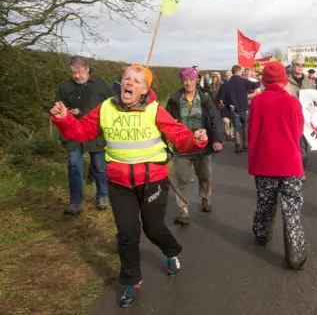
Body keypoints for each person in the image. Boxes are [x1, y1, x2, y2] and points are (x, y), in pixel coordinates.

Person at [50, 64, 209, 307]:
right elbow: (81, 132)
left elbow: (180, 138)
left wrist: (195, 140)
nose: (130, 83)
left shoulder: (155, 110)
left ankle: (171, 251)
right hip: (119, 183)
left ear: (145, 89)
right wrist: (64, 119)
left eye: (136, 81)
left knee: (154, 229)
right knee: (127, 234)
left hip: (152, 181)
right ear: (120, 83)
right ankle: (130, 281)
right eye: (126, 79)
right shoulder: (106, 108)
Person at [248, 61, 307, 270]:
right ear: (285, 79)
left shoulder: (257, 102)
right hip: (290, 163)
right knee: (291, 208)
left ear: (264, 80)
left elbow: (252, 131)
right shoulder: (293, 102)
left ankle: (262, 234)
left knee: (266, 201)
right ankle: (295, 255)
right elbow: (299, 131)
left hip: (265, 162)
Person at [165, 68, 224, 226]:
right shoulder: (174, 100)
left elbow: (214, 120)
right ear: (182, 81)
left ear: (196, 80)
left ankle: (205, 198)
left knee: (204, 176)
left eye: (191, 79)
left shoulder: (205, 99)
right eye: (185, 80)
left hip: (202, 147)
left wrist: (217, 139)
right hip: (182, 147)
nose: (188, 83)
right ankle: (183, 211)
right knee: (182, 179)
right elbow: (166, 122)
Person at [55, 55, 111, 215]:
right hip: (73, 132)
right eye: (73, 73)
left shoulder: (101, 85)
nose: (76, 76)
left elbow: (110, 106)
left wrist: (84, 113)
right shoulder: (65, 87)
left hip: (95, 132)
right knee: (74, 166)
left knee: (100, 167)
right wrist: (66, 112)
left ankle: (102, 196)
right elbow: (58, 106)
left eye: (79, 72)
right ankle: (76, 201)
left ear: (87, 69)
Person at [284, 55, 315, 181]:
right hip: (290, 117)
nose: (300, 67)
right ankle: (293, 169)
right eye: (298, 64)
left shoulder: (309, 82)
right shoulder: (285, 80)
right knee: (290, 144)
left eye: (303, 65)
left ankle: (301, 168)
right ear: (292, 65)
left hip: (305, 118)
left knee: (303, 145)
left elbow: (314, 98)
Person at [220, 65, 260, 153]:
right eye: (241, 71)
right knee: (245, 125)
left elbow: (223, 97)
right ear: (237, 71)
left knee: (236, 126)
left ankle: (238, 144)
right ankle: (245, 144)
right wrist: (260, 79)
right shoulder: (243, 81)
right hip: (244, 107)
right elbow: (255, 85)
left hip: (233, 108)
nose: (242, 73)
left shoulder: (227, 83)